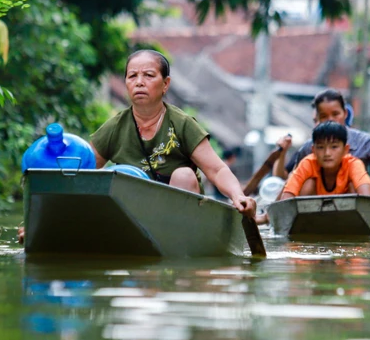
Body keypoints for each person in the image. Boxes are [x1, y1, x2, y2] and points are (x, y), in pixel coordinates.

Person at [90, 49, 256, 217]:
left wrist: (238, 196)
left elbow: (217, 170)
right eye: (132, 76)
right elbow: (83, 171)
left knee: (183, 175)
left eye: (148, 75)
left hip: (178, 219)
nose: (139, 82)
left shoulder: (182, 124)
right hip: (132, 216)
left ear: (165, 84)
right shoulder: (114, 127)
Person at [278, 122, 370, 200]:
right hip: (313, 216)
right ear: (313, 150)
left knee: (353, 186)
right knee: (308, 183)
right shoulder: (308, 163)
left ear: (345, 150)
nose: (327, 153)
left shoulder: (353, 164)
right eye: (320, 147)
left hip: (346, 217)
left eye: (334, 147)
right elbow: (289, 192)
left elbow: (366, 196)